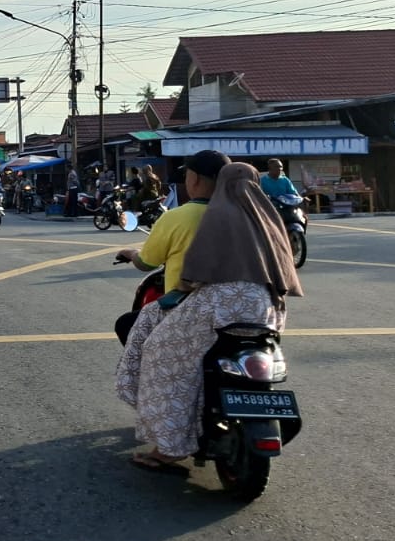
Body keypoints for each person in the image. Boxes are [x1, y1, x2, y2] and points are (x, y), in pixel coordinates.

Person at [115, 162, 304, 473]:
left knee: (160, 353)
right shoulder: (266, 216)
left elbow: (197, 268)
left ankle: (169, 445)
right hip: (265, 308)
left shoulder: (220, 214)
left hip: (219, 306)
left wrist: (181, 291)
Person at [114, 149, 229, 294]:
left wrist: (130, 253)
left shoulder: (174, 217)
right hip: (238, 304)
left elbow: (145, 263)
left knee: (126, 318)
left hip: (184, 306)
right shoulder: (246, 215)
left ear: (195, 179)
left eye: (186, 175)